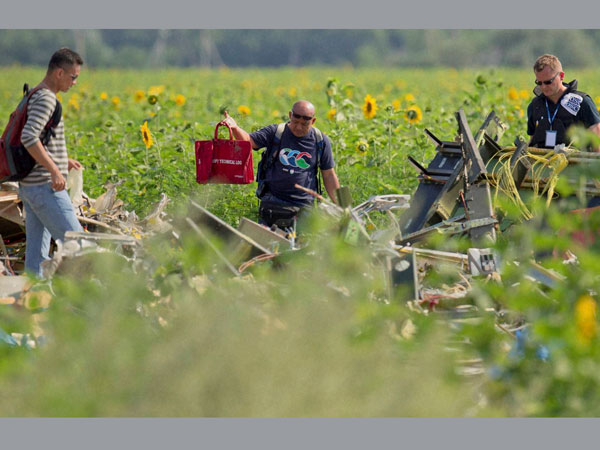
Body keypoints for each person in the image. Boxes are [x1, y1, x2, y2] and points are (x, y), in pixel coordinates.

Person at [19, 48, 84, 277]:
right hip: (46, 187)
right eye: (73, 76)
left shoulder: (35, 93)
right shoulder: (46, 98)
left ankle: (32, 308)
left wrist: (61, 160)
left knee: (36, 258)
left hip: (31, 187)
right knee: (80, 246)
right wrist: (54, 169)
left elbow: (37, 139)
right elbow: (28, 137)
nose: (74, 82)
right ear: (59, 73)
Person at [223, 100, 340, 227]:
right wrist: (235, 128)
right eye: (295, 122)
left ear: (313, 121)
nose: (299, 127)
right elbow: (248, 141)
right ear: (290, 116)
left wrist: (342, 206)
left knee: (304, 245)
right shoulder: (276, 132)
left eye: (304, 124)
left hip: (305, 208)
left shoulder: (321, 141)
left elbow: (328, 175)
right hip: (274, 204)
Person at [527, 54, 600, 151]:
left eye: (548, 82)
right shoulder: (535, 106)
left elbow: (597, 138)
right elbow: (532, 140)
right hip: (541, 163)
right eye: (539, 83)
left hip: (575, 164)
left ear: (561, 76)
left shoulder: (581, 103)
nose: (543, 87)